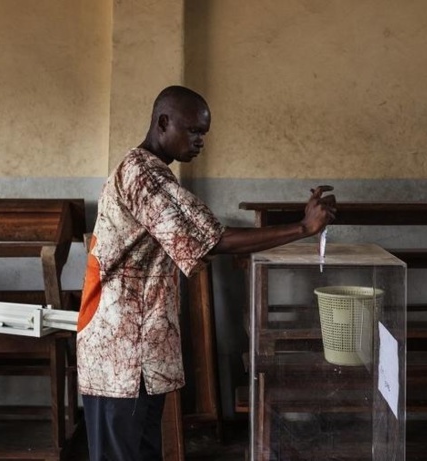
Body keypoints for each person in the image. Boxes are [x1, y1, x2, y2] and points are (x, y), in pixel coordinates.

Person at [76, 85, 336, 461]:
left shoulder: (156, 175)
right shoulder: (141, 176)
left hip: (139, 353)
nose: (200, 141)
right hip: (120, 354)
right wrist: (302, 229)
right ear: (163, 123)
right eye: (193, 130)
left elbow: (204, 232)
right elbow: (210, 241)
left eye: (204, 134)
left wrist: (299, 224)